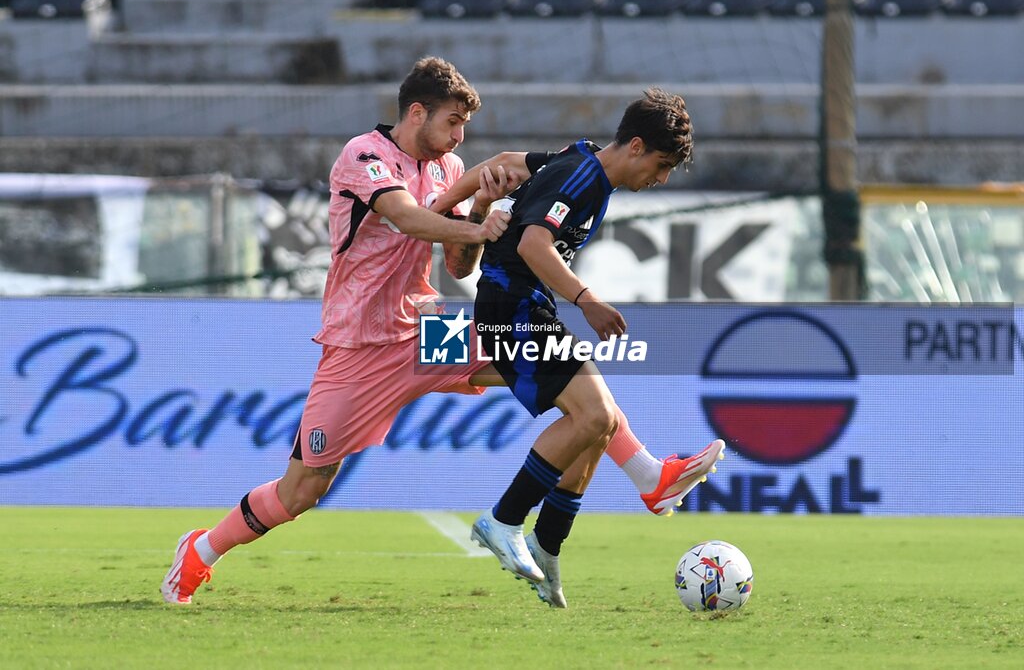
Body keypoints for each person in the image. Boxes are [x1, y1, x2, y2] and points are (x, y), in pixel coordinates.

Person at [160, 59, 715, 607]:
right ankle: (202, 550)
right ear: (417, 112)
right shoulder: (365, 155)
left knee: (572, 380)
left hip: (429, 328)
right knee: (303, 489)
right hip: (359, 346)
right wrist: (478, 221)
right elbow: (407, 218)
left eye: (464, 127)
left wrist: (480, 204)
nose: (458, 137)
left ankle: (648, 476)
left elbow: (458, 267)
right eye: (452, 122)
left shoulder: (451, 170)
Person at [466, 88, 725, 608]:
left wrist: (451, 203)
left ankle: (549, 543)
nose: (662, 178)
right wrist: (587, 300)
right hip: (511, 310)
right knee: (592, 415)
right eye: (662, 164)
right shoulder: (581, 175)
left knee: (600, 421)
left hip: (523, 307)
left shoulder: (577, 161)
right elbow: (531, 244)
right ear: (634, 145)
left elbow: (504, 162)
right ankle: (504, 520)